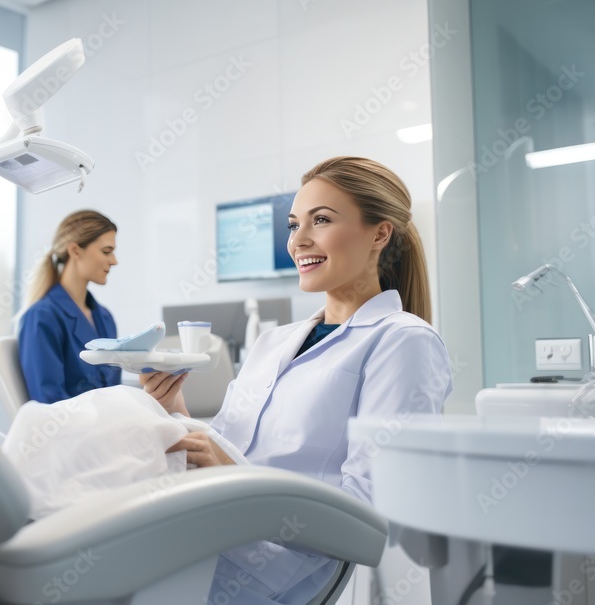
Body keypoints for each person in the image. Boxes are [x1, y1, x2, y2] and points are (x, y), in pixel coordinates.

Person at [142, 156, 454, 604]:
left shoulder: (403, 342)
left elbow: (371, 516)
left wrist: (230, 473)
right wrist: (174, 410)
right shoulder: (275, 341)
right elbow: (230, 444)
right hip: (207, 528)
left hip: (270, 568)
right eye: (293, 224)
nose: (298, 240)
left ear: (380, 234)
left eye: (321, 220)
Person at [19, 210, 121, 403]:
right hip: (76, 431)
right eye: (106, 251)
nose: (114, 261)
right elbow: (49, 402)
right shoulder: (42, 317)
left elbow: (114, 393)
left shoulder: (105, 318)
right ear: (75, 250)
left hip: (110, 426)